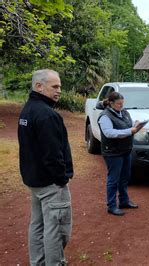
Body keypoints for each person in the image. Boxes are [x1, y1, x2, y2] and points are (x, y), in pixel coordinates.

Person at [18, 69, 73, 265]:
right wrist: (62, 178)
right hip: (50, 184)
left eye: (59, 86)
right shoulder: (47, 115)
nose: (59, 90)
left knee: (38, 225)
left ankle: (38, 262)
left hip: (35, 180)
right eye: (55, 86)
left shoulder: (28, 109)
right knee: (57, 229)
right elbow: (52, 155)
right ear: (39, 86)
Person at [98, 92, 143, 216]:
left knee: (124, 177)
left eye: (122, 103)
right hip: (113, 152)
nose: (121, 106)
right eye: (119, 104)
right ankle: (111, 205)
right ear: (111, 103)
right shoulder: (105, 116)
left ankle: (124, 201)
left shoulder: (124, 112)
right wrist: (130, 130)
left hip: (125, 150)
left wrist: (136, 125)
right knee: (113, 179)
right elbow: (109, 133)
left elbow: (128, 125)